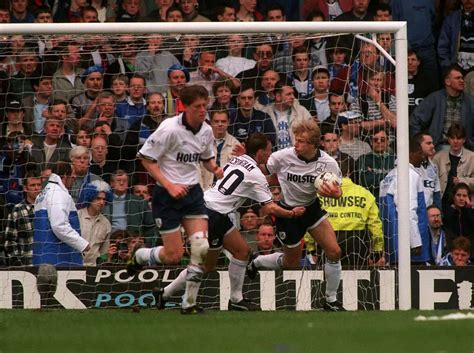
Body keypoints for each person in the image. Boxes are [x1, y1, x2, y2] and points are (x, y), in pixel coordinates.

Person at [154, 133, 304, 311]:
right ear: (261, 152)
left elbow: (253, 176)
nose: (270, 154)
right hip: (213, 214)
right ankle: (166, 294)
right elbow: (270, 208)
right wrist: (291, 213)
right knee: (206, 265)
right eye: (269, 151)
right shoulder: (255, 173)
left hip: (212, 209)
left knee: (242, 251)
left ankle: (235, 299)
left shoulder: (236, 160)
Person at [127, 85, 224, 314]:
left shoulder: (207, 131)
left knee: (201, 246)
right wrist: (169, 186)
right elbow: (146, 159)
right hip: (166, 196)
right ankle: (140, 255)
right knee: (174, 256)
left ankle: (189, 303)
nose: (203, 110)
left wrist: (216, 169)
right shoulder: (169, 128)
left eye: (205, 105)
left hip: (192, 194)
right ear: (185, 106)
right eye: (197, 106)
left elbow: (206, 159)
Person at [247, 119, 345, 311]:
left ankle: (331, 300)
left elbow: (338, 190)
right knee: (290, 263)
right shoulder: (281, 157)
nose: (296, 144)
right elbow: (263, 171)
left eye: (301, 141)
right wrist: (247, 162)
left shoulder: (328, 163)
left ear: (313, 145)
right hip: (288, 213)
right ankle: (257, 262)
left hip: (311, 209)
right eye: (296, 139)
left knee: (334, 251)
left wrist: (335, 193)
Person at [319, 159, 384, 268]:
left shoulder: (320, 194)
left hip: (327, 238)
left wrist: (311, 249)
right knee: (356, 279)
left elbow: (311, 221)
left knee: (328, 279)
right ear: (349, 172)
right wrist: (378, 250)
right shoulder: (364, 193)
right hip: (356, 242)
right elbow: (375, 225)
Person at [379, 138, 430, 264]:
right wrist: (416, 241)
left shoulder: (388, 177)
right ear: (410, 154)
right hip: (408, 248)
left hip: (392, 245)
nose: (422, 157)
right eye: (419, 153)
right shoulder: (408, 174)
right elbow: (407, 209)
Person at [33, 162, 90, 266]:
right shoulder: (58, 193)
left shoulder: (42, 194)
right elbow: (59, 225)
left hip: (42, 256)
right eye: (72, 176)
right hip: (59, 259)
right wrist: (82, 244)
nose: (74, 179)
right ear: (64, 176)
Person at [410, 65, 474, 150]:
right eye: (457, 78)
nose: (462, 81)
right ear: (447, 81)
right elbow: (415, 120)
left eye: (462, 78)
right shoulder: (435, 98)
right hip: (439, 146)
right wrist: (421, 143)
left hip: (465, 147)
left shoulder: (470, 101)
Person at [3, 171, 42, 266]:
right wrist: (19, 265)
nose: (36, 188)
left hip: (48, 264)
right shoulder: (17, 211)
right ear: (25, 188)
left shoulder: (49, 208)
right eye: (32, 185)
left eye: (39, 185)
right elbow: (10, 242)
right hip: (26, 267)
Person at [432, 123, 474, 207]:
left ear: (464, 140)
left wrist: (463, 180)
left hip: (465, 204)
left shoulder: (472, 157)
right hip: (442, 203)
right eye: (452, 138)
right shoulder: (438, 157)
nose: (455, 141)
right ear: (448, 139)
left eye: (459, 138)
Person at [200, 110, 240, 191]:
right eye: (216, 121)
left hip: (226, 193)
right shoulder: (201, 142)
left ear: (228, 122)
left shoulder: (235, 145)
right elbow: (196, 171)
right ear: (211, 122)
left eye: (223, 121)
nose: (220, 124)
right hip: (204, 190)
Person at [77, 180, 113, 266]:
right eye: (98, 198)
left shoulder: (106, 224)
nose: (102, 202)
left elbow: (103, 252)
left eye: (104, 199)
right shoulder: (77, 216)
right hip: (74, 265)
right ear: (90, 197)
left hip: (94, 267)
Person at [442, 183, 474, 255]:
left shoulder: (470, 212)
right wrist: (454, 211)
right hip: (452, 251)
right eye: (458, 195)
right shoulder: (447, 211)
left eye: (464, 196)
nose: (461, 198)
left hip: (469, 253)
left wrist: (468, 207)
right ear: (453, 197)